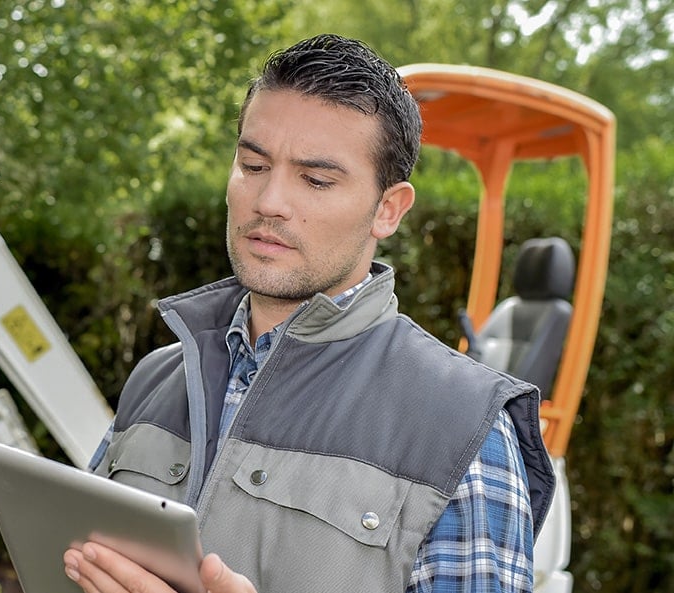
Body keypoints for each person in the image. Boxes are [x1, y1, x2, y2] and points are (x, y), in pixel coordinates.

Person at [63, 33, 555, 592]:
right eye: (253, 165)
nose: (269, 201)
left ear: (388, 210)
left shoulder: (467, 430)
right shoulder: (154, 379)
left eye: (316, 179)